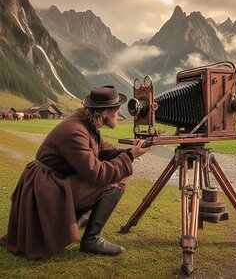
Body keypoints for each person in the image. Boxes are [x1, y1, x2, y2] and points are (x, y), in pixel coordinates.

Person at [0, 85, 151, 259]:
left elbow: (105, 150)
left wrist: (133, 149)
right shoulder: (75, 132)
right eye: (116, 107)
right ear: (103, 112)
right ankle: (91, 239)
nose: (119, 111)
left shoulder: (86, 123)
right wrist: (130, 156)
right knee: (115, 181)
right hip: (45, 188)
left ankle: (76, 221)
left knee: (119, 173)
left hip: (52, 181)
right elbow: (97, 174)